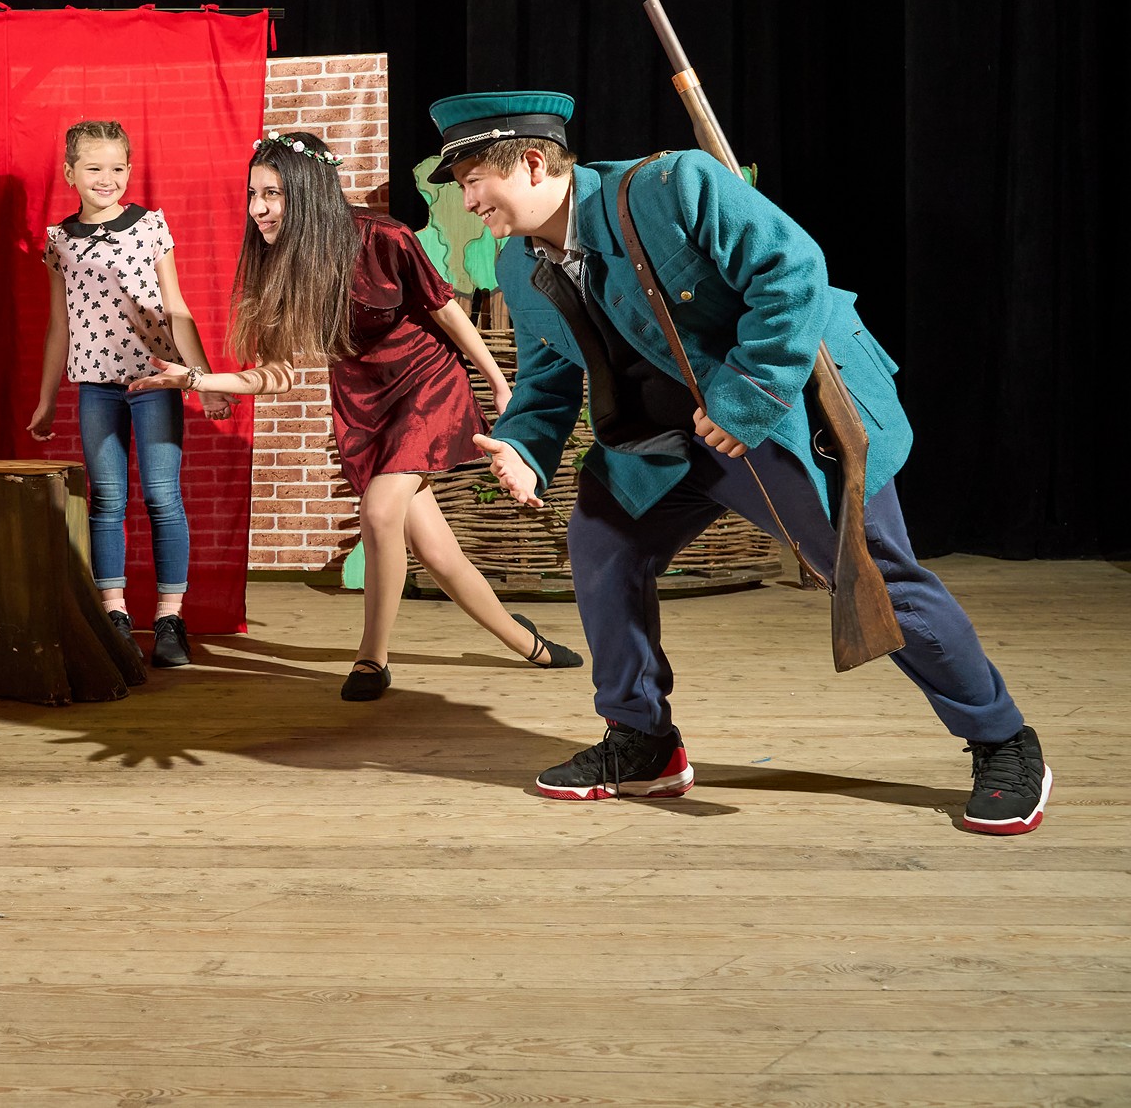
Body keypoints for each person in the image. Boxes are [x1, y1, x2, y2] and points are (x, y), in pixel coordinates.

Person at [433, 89, 1050, 833]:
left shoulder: (672, 188)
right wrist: (526, 449)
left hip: (780, 417)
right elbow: (546, 379)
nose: (468, 201)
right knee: (601, 540)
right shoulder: (518, 264)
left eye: (473, 180)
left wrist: (745, 395)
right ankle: (642, 741)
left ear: (533, 163)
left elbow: (793, 272)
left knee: (874, 577)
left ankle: (1003, 740)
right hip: (660, 442)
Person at [135, 131, 580, 699]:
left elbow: (446, 311)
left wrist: (497, 381)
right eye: (252, 195)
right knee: (436, 551)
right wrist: (196, 380)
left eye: (272, 194)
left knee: (379, 509)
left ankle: (372, 657)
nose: (258, 209)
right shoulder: (277, 265)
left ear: (308, 191)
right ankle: (527, 643)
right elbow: (276, 375)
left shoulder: (383, 236)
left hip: (423, 382)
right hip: (362, 400)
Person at [28, 120, 229, 668]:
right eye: (94, 168)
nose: (107, 178)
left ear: (130, 170)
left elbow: (177, 307)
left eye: (117, 168)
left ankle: (169, 618)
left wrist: (204, 381)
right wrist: (47, 399)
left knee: (162, 496)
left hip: (156, 382)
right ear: (70, 173)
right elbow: (59, 324)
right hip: (96, 386)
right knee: (107, 500)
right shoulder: (60, 240)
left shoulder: (149, 226)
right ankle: (113, 613)